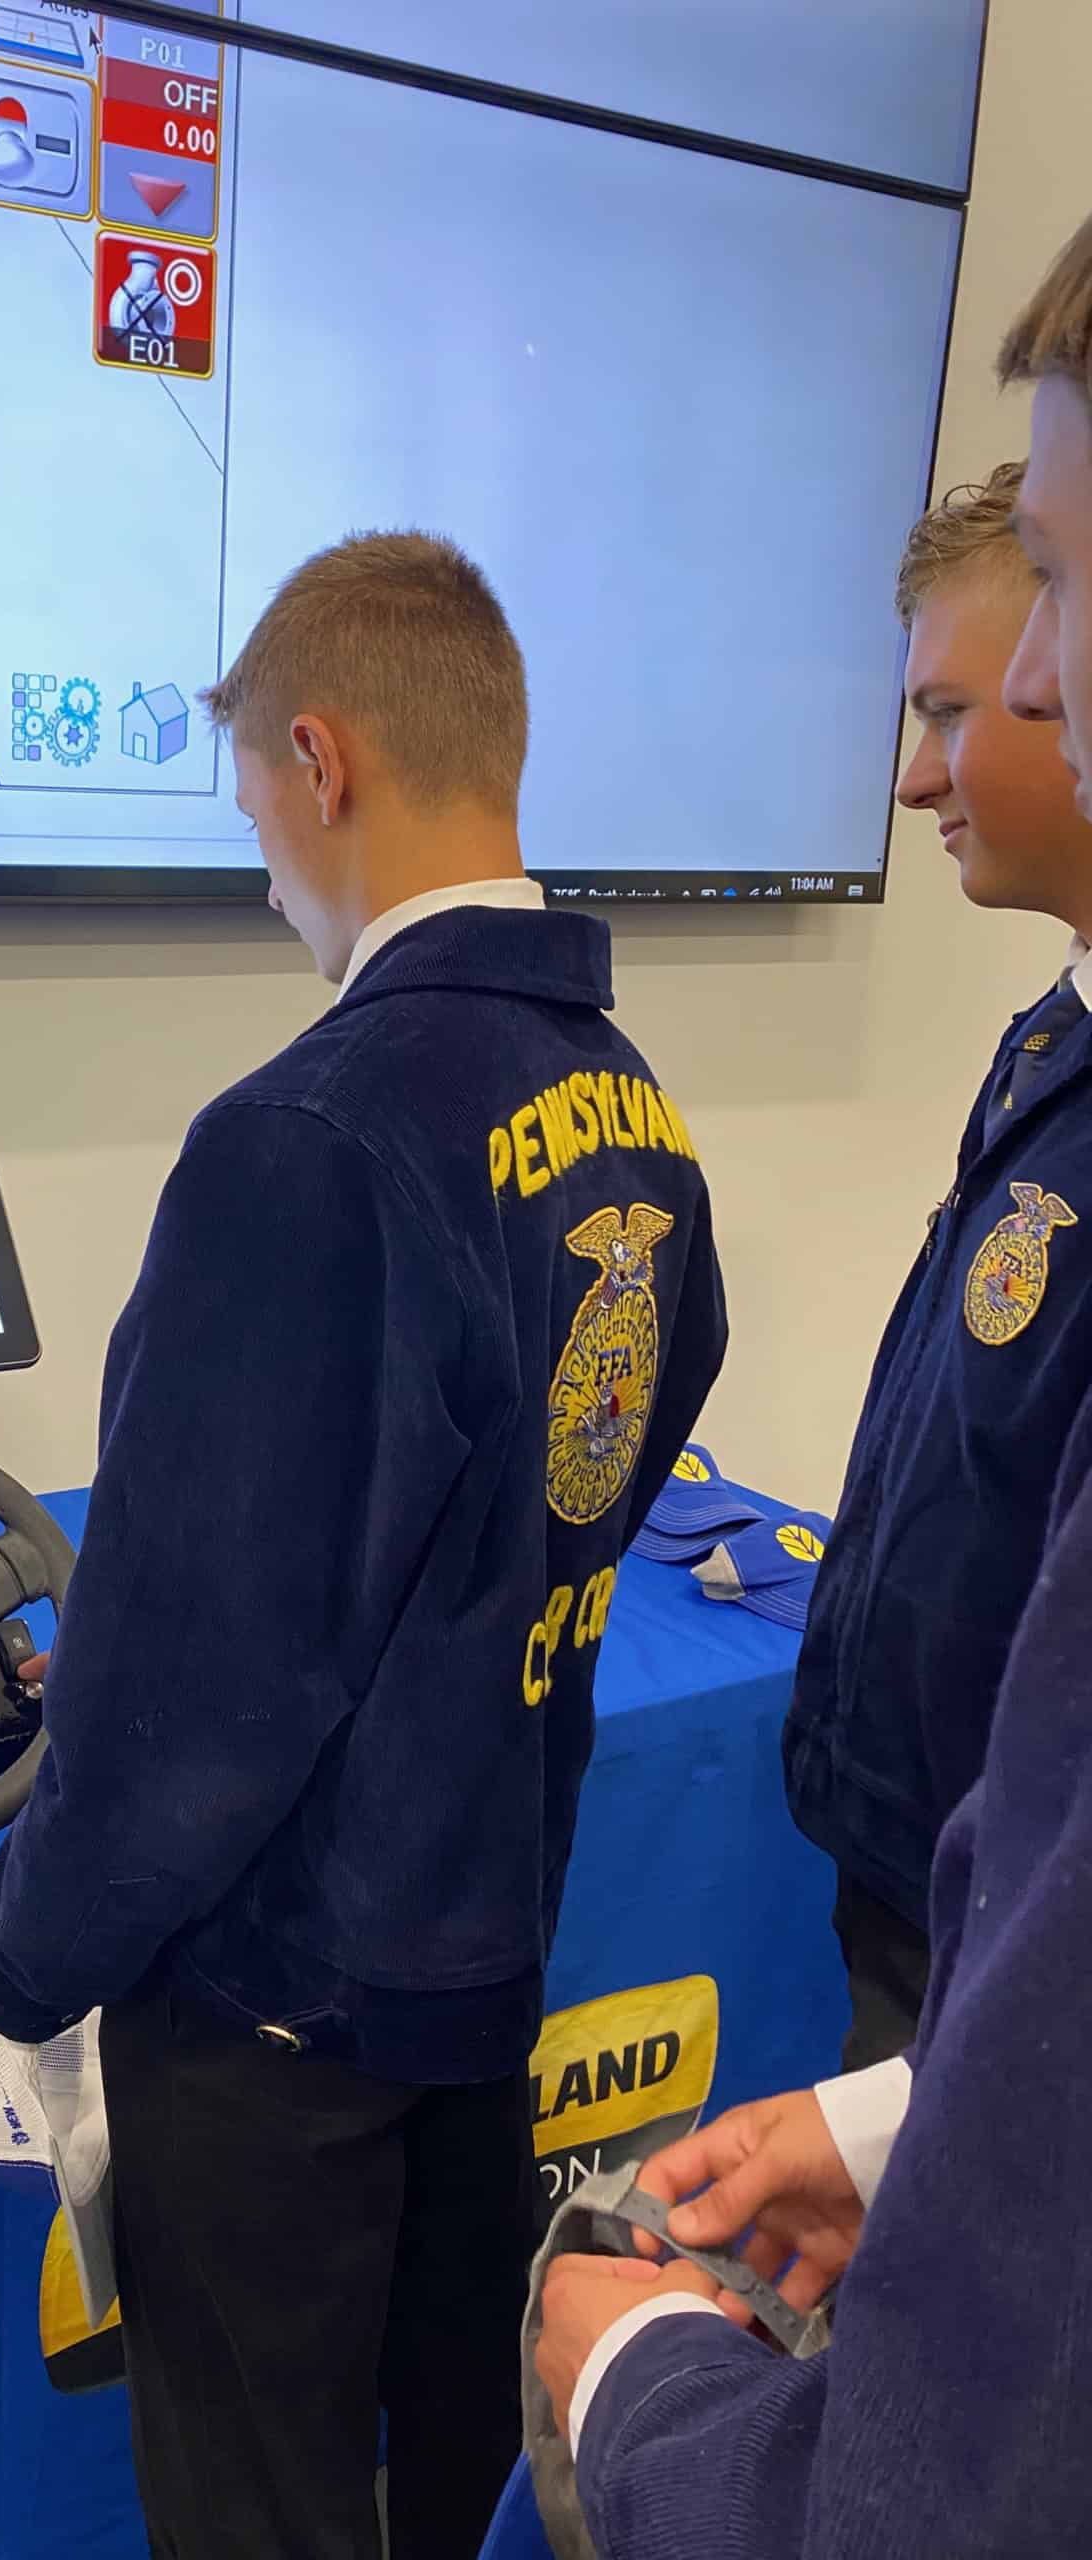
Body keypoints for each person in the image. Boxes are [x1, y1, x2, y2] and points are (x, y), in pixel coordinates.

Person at [0, 530, 727, 2560]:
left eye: (252, 787)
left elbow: (192, 1690)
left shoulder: (310, 1135)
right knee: (455, 2473)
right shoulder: (633, 1110)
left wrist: (11, 1951)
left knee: (259, 2507)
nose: (257, 843)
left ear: (322, 757)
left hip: (276, 2016)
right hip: (478, 1954)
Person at [532, 208, 1092, 2559]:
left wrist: (646, 2388)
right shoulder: (1049, 1049)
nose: (971, 740)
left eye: (1028, 636)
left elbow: (944, 2490)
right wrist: (910, 2128)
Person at [781, 459, 1092, 2069]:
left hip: (1022, 1930)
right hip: (916, 1858)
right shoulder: (1055, 1036)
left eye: (955, 710)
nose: (918, 780)